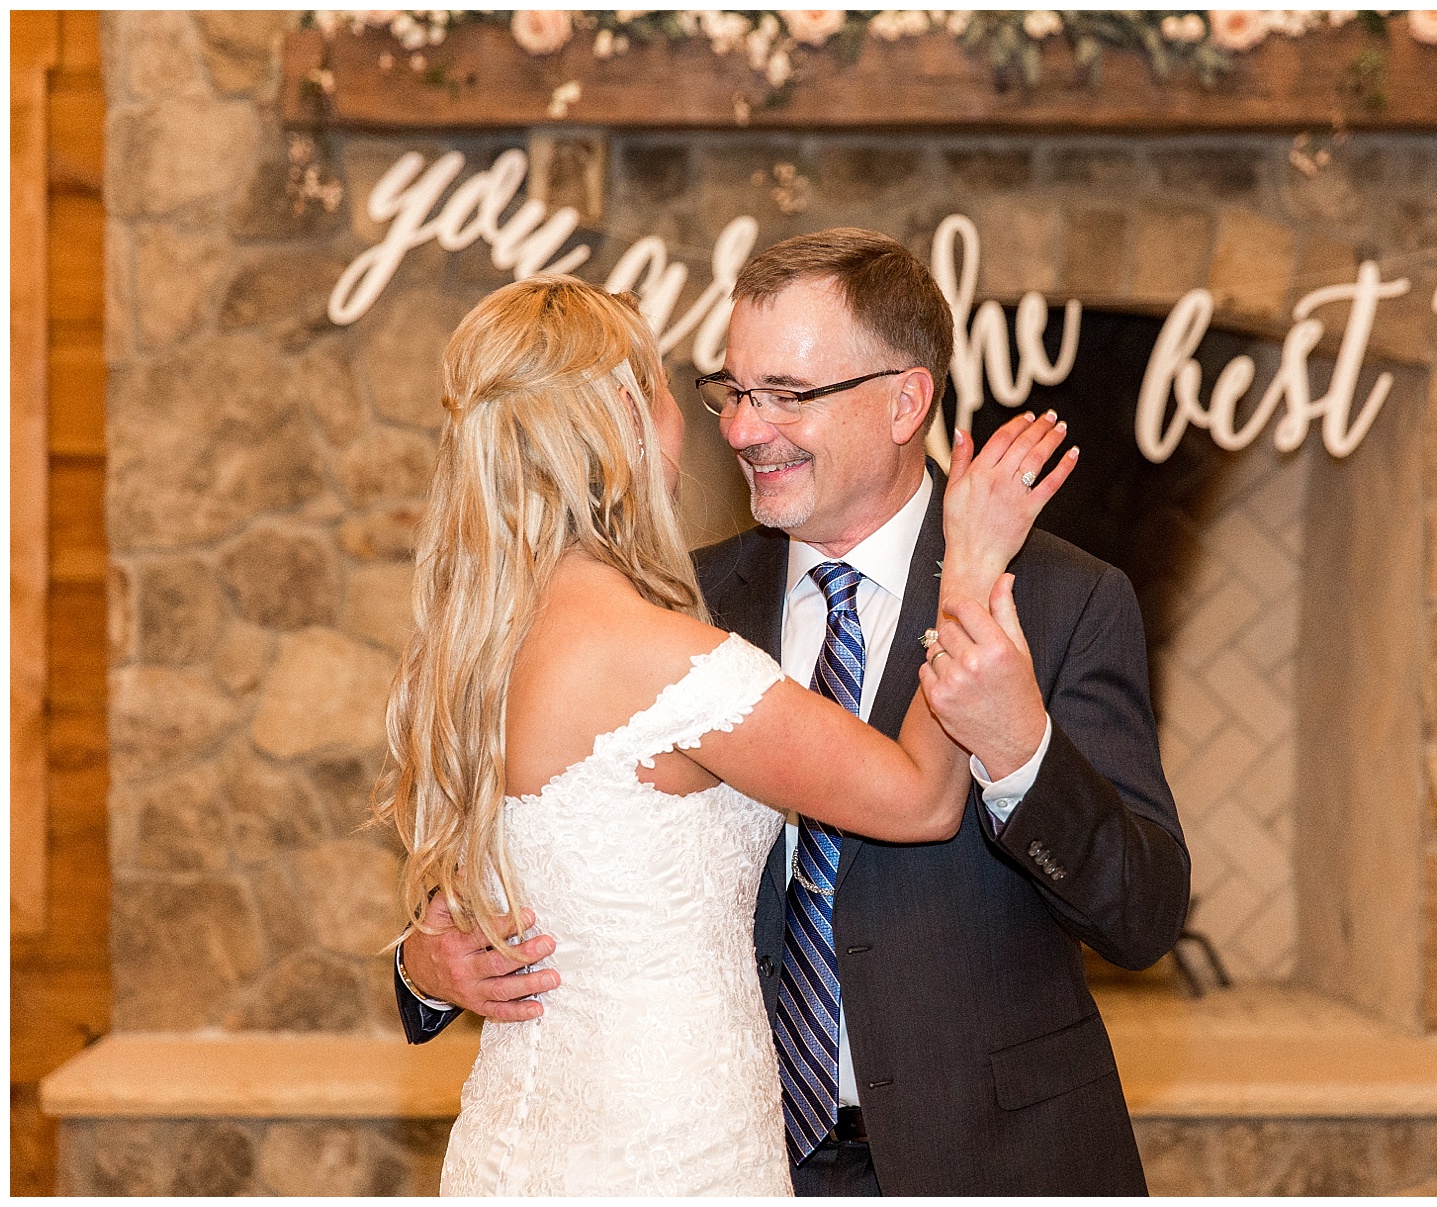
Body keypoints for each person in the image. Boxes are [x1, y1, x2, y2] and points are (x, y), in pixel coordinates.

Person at [398, 230, 1191, 1195]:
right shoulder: (679, 608)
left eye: (786, 394)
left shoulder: (1067, 599)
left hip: (989, 1161)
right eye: (732, 391)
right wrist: (424, 963)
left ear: (906, 401)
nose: (741, 428)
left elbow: (1144, 915)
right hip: (737, 1156)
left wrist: (1021, 752)